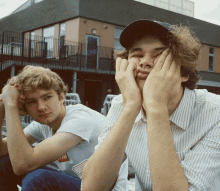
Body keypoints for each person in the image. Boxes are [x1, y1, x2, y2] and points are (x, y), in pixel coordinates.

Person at [82, 19, 220, 191]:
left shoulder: (215, 113)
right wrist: (131, 107)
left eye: (159, 56)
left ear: (183, 71)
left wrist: (156, 107)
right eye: (137, 55)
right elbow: (92, 187)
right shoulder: (121, 104)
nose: (145, 62)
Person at [0, 65, 107, 191]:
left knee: (39, 179)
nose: (41, 107)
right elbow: (2, 150)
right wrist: (3, 106)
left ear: (61, 97)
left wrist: (11, 106)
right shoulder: (43, 124)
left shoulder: (80, 119)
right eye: (32, 102)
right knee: (4, 164)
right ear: (25, 107)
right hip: (76, 182)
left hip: (101, 188)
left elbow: (23, 165)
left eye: (47, 97)